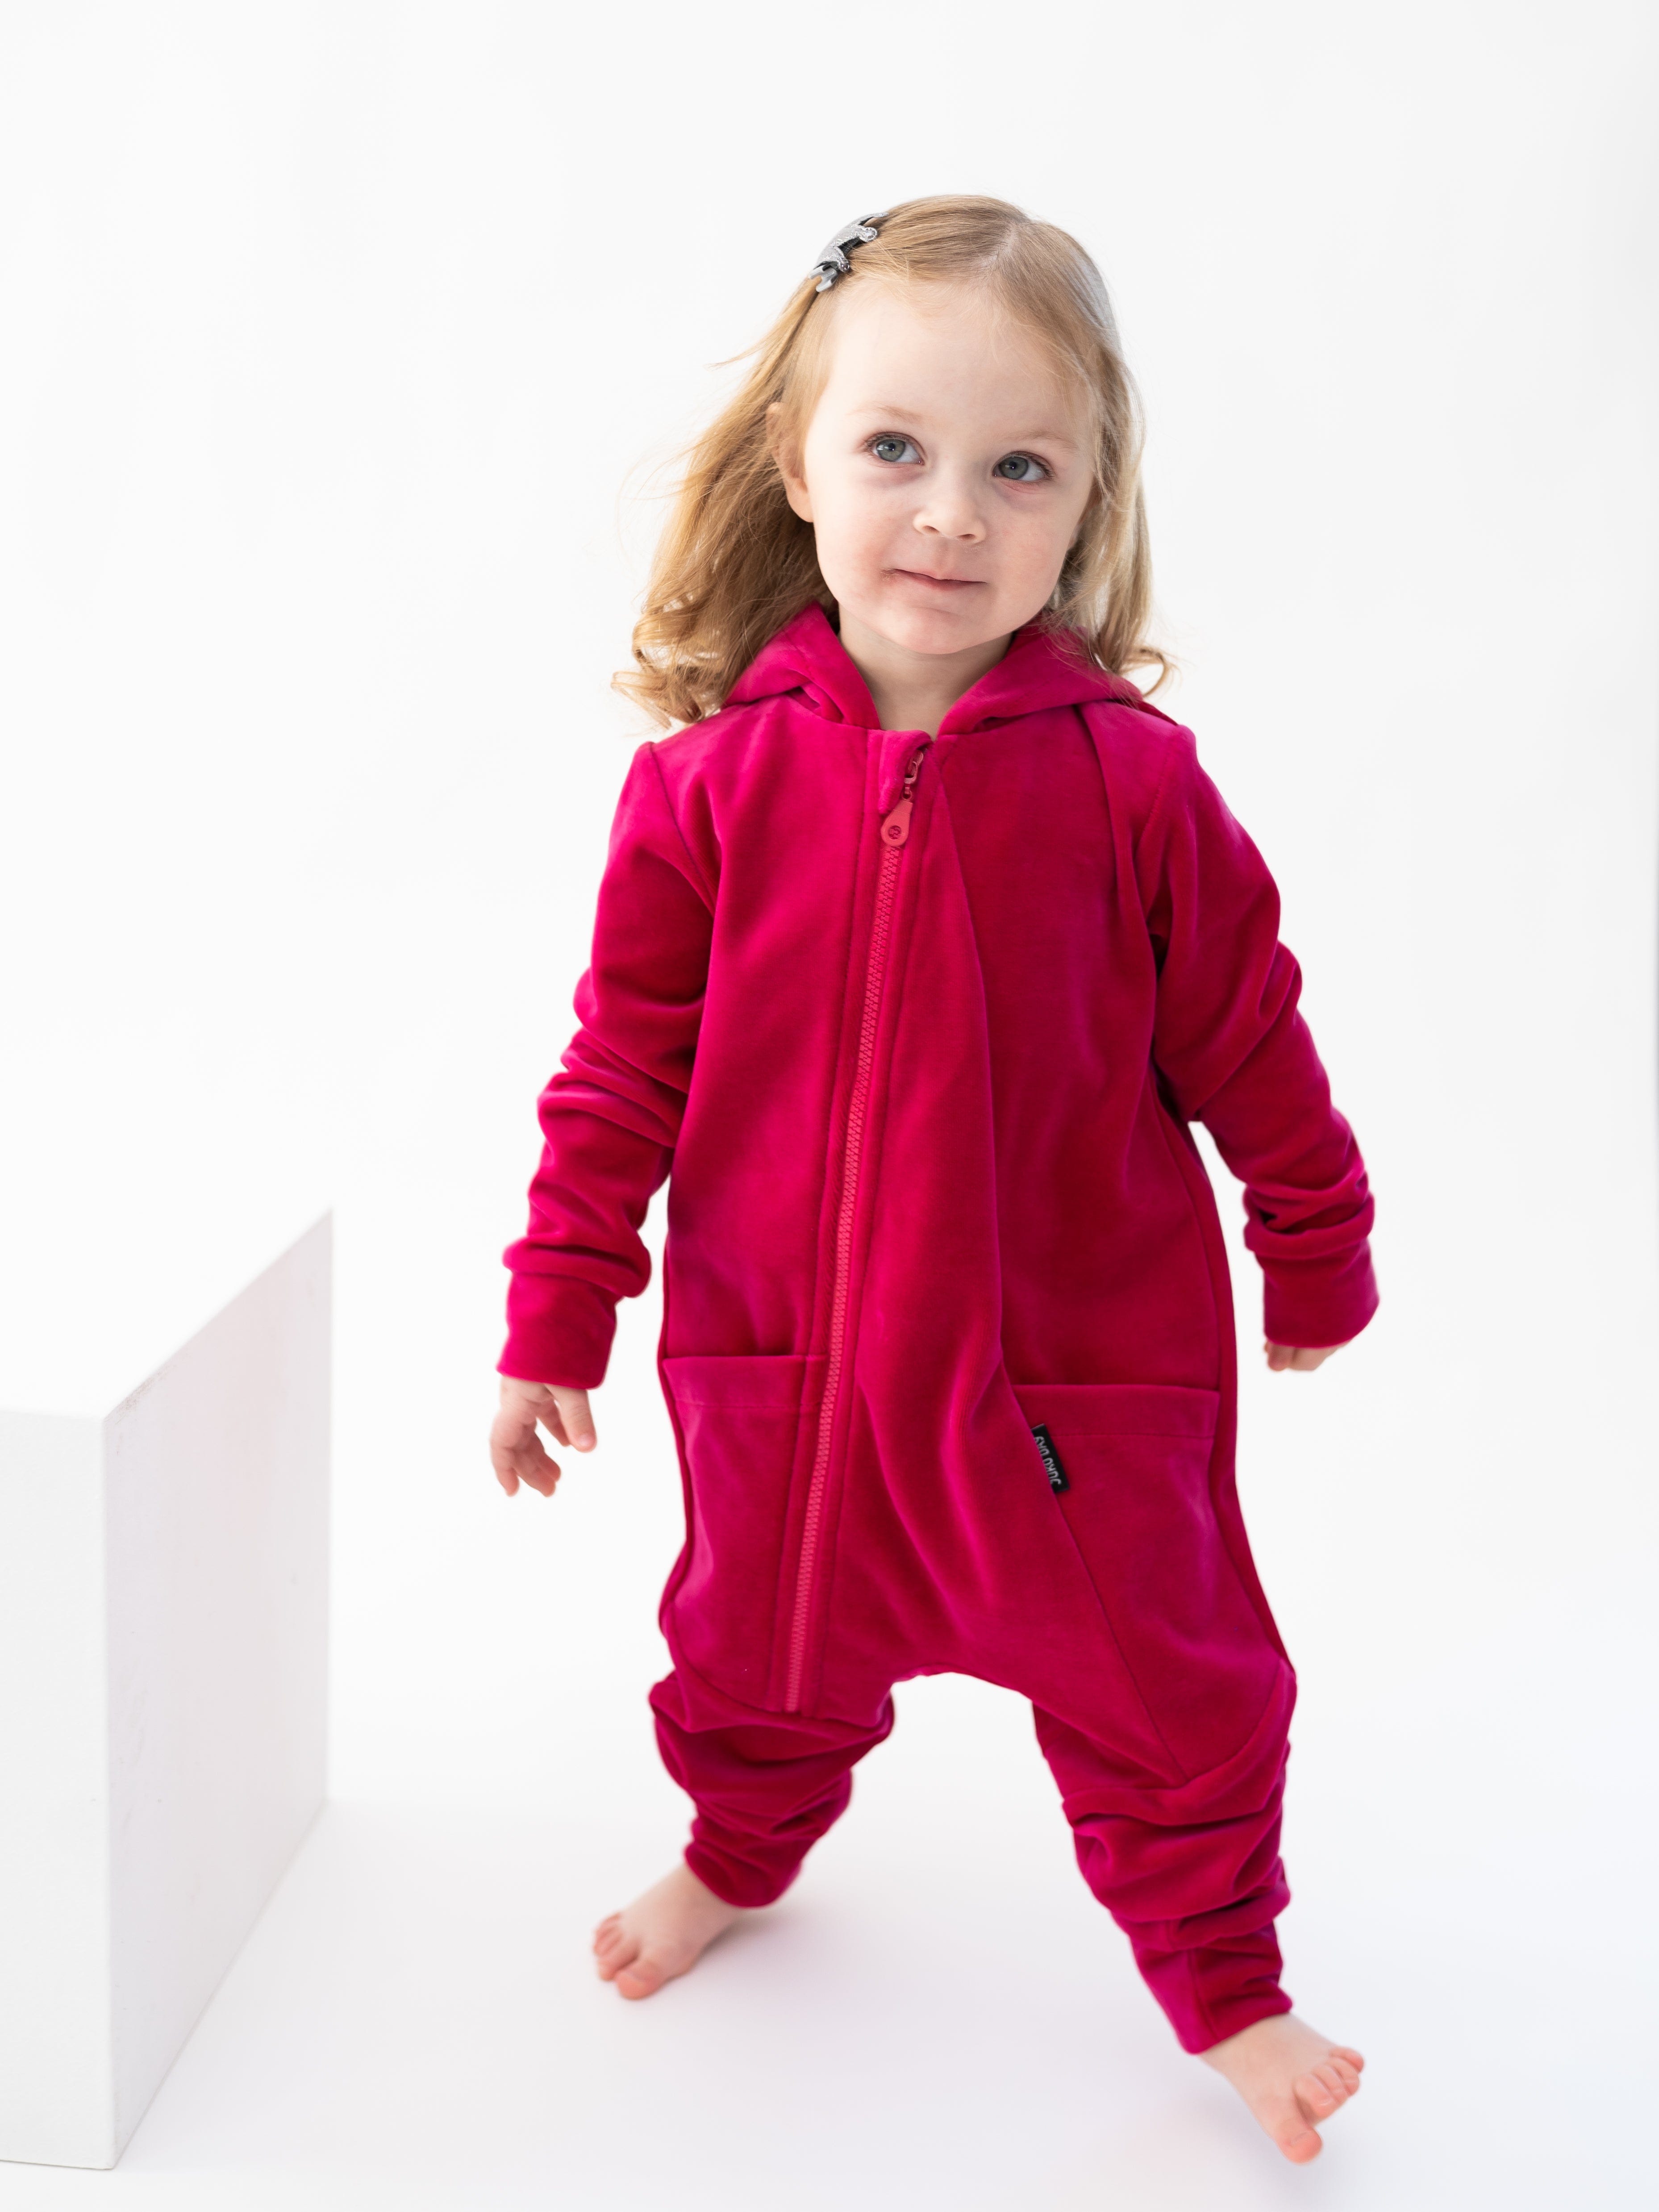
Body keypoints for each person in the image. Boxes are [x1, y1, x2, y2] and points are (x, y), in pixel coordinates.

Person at [488, 196, 1376, 2165]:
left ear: (1085, 504)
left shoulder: (1133, 787)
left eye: (1018, 469)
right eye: (895, 448)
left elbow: (1250, 1037)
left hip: (1070, 1392)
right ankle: (737, 1855)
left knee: (1182, 1696)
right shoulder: (704, 790)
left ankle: (1225, 1982)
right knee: (753, 1658)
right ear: (798, 463)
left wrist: (1313, 1246)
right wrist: (557, 1313)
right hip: (788, 1377)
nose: (952, 515)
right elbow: (621, 1070)